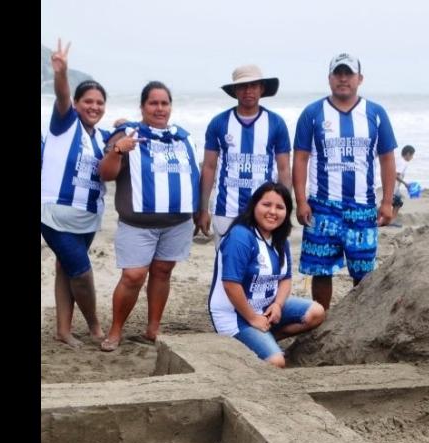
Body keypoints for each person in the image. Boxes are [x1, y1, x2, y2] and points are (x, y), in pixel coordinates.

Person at [97, 81, 201, 352]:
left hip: (176, 223)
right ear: (142, 106)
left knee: (163, 272)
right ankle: (115, 330)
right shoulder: (126, 133)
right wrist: (119, 150)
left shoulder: (183, 136)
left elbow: (195, 176)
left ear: (171, 106)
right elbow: (105, 174)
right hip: (137, 224)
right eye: (153, 103)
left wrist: (201, 210)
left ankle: (153, 327)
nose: (159, 108)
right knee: (133, 275)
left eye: (164, 103)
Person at [293, 53, 398, 310]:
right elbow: (301, 158)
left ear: (359, 79)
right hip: (322, 205)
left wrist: (386, 202)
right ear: (329, 78)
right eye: (337, 74)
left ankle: (356, 322)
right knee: (321, 269)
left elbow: (387, 159)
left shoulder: (375, 113)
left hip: (363, 207)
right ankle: (321, 319)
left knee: (363, 272)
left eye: (348, 74)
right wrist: (301, 200)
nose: (343, 79)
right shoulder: (312, 113)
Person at [40, 38, 110, 349]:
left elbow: (118, 149)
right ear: (77, 104)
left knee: (64, 268)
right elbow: (62, 95)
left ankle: (63, 330)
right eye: (88, 101)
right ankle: (95, 326)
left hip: (88, 217)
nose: (94, 107)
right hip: (55, 214)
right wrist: (61, 73)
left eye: (99, 103)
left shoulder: (101, 137)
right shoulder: (66, 124)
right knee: (81, 273)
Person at [209, 182, 325, 367]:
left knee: (316, 313)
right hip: (235, 314)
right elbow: (231, 285)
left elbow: (285, 278)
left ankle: (266, 339)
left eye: (279, 207)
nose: (272, 211)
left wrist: (278, 305)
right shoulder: (241, 236)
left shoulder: (279, 238)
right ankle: (255, 345)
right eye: (266, 205)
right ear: (254, 205)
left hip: (265, 306)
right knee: (276, 361)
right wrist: (253, 318)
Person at [195, 65, 292, 247]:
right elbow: (209, 167)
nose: (248, 91)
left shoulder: (276, 123)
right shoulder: (219, 122)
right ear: (234, 90)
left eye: (253, 86)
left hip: (265, 210)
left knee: (261, 266)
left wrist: (284, 210)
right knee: (227, 264)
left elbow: (284, 169)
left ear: (262, 89)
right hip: (226, 209)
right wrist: (203, 209)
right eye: (242, 86)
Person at [393, 144, 415, 211]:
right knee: (397, 204)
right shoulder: (402, 162)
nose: (412, 157)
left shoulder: (399, 160)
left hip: (393, 186)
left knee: (395, 203)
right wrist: (405, 184)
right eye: (412, 155)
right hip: (393, 186)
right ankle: (391, 219)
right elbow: (395, 175)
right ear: (408, 154)